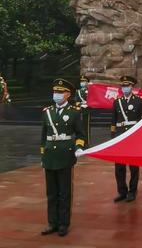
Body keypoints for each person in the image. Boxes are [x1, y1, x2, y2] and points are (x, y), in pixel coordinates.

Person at [40, 79, 86, 237]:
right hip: (49, 156)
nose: (56, 95)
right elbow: (43, 136)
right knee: (51, 192)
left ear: (68, 94)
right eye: (55, 92)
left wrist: (79, 147)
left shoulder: (74, 112)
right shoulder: (47, 111)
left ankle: (63, 224)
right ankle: (52, 222)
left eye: (60, 92)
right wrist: (42, 154)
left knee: (64, 192)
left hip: (65, 154)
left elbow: (80, 134)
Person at [111, 75, 142, 202]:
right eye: (123, 86)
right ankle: (122, 191)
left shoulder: (138, 101)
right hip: (120, 136)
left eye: (127, 86)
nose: (125, 88)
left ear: (132, 87)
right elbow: (113, 121)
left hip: (133, 136)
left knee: (133, 166)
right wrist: (113, 138)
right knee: (119, 166)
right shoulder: (116, 101)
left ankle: (132, 191)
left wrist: (140, 137)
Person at [75, 75, 91, 145]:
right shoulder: (78, 91)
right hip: (80, 110)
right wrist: (80, 104)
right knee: (79, 127)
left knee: (86, 127)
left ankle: (87, 142)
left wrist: (88, 103)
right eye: (81, 81)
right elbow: (76, 101)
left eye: (84, 81)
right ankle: (80, 142)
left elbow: (92, 100)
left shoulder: (90, 91)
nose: (82, 83)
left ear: (87, 82)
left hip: (87, 111)